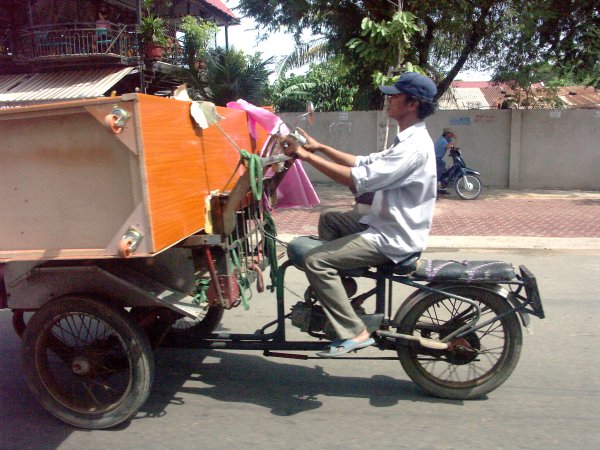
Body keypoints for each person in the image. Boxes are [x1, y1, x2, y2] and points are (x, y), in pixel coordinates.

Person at [282, 72, 438, 357]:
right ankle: (341, 288)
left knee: (316, 261)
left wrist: (305, 156)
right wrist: (320, 148)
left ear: (412, 103)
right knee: (330, 218)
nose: (388, 100)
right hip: (384, 223)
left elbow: (358, 179)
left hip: (392, 237)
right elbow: (364, 162)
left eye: (395, 96)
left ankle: (354, 331)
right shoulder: (406, 139)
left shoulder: (413, 147)